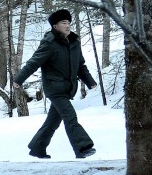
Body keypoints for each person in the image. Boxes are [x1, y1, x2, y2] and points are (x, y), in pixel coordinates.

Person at [13, 9, 98, 159]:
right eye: (63, 23)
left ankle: (37, 147)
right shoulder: (50, 43)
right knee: (70, 116)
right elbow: (34, 62)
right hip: (54, 88)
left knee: (52, 122)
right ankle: (82, 147)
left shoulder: (74, 42)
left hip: (68, 88)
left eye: (69, 23)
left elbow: (80, 65)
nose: (67, 25)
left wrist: (89, 81)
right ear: (55, 26)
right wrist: (19, 79)